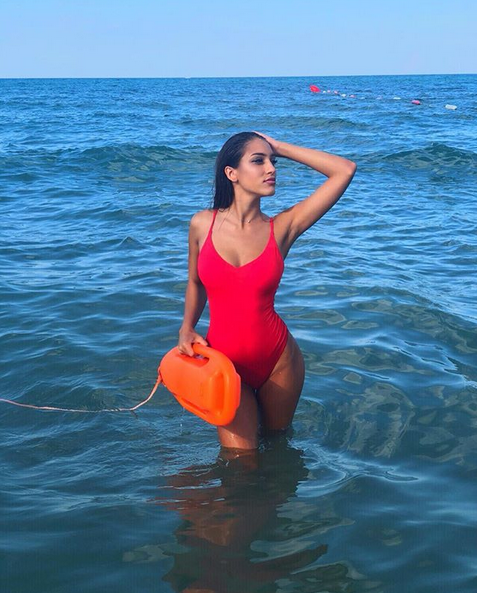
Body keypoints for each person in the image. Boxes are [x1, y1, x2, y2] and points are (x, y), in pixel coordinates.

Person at [178, 131, 356, 451]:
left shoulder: (283, 227)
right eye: (258, 161)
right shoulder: (202, 224)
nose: (271, 168)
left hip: (279, 362)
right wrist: (187, 327)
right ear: (231, 173)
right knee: (240, 461)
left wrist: (280, 147)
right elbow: (195, 282)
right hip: (226, 364)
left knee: (277, 447)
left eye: (273, 162)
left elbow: (344, 169)